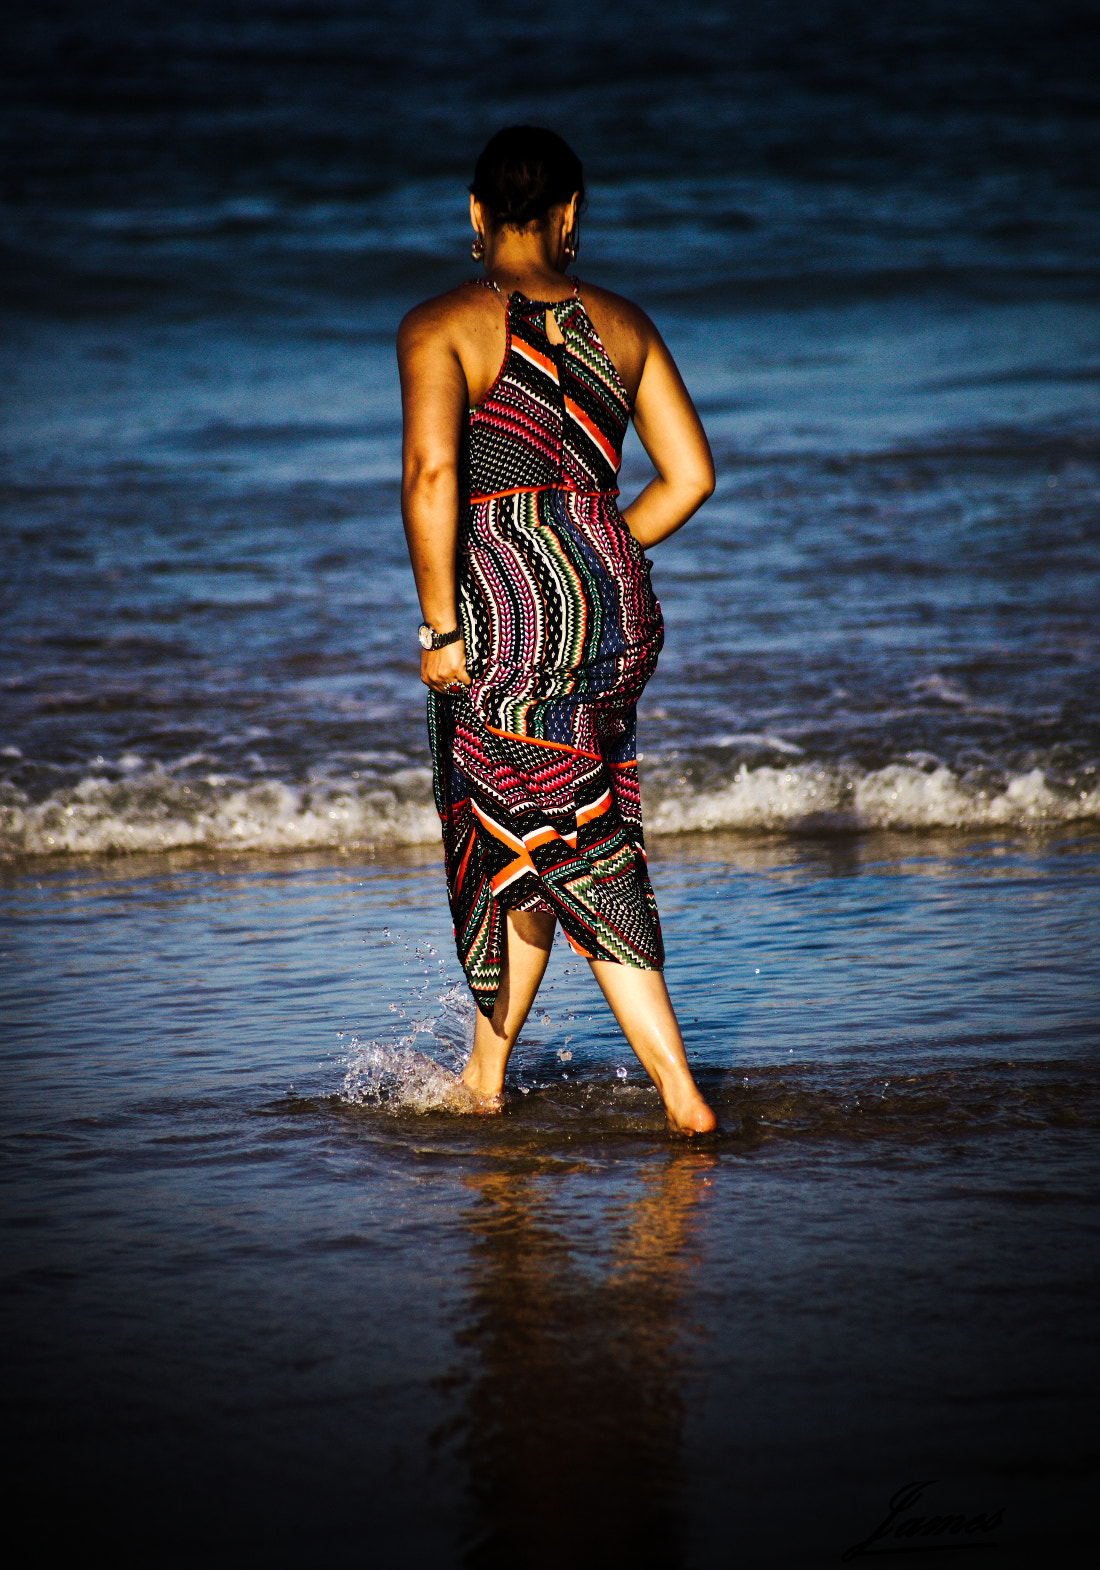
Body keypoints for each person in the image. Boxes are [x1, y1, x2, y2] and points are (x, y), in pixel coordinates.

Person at [397, 126, 716, 1134]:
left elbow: (433, 479)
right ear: (570, 213)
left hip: (509, 612)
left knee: (575, 839)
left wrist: (439, 626)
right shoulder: (621, 322)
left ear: (474, 213)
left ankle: (680, 1096)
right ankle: (484, 1079)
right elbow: (692, 475)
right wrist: (592, 544)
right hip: (616, 602)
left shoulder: (441, 324)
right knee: (525, 831)